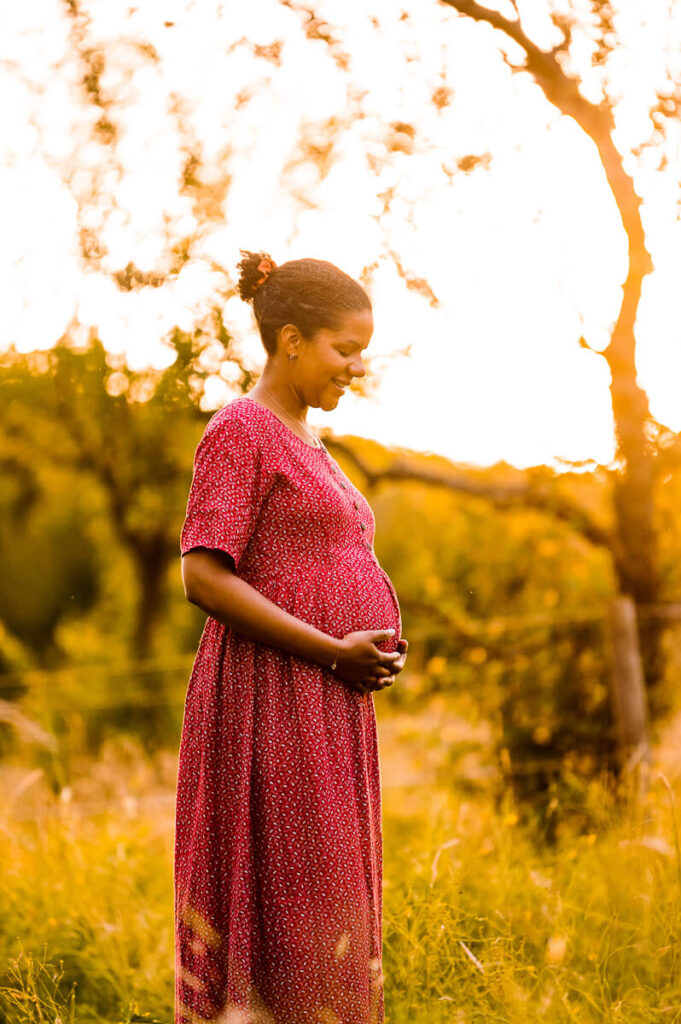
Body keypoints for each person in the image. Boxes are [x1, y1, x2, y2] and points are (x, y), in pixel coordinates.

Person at [174, 250, 409, 1024]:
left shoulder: (310, 443)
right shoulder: (241, 428)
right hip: (273, 699)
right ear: (292, 341)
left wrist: (355, 654)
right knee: (294, 893)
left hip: (326, 700)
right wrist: (330, 649)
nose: (354, 369)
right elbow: (203, 576)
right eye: (346, 350)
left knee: (328, 899)